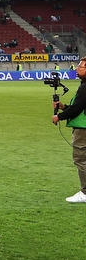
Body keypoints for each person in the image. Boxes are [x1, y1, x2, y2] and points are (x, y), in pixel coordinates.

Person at [53, 57, 86, 202]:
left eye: (81, 66)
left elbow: (77, 109)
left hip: (83, 128)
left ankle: (85, 193)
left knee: (80, 159)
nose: (77, 69)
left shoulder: (85, 87)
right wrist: (64, 107)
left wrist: (59, 117)